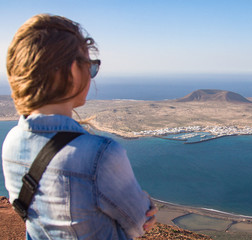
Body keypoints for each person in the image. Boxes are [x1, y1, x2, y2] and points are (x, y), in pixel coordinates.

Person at [2, 14, 157, 239]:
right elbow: (139, 224)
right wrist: (146, 207)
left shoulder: (11, 141)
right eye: (91, 67)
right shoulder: (101, 154)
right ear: (74, 71)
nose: (92, 76)